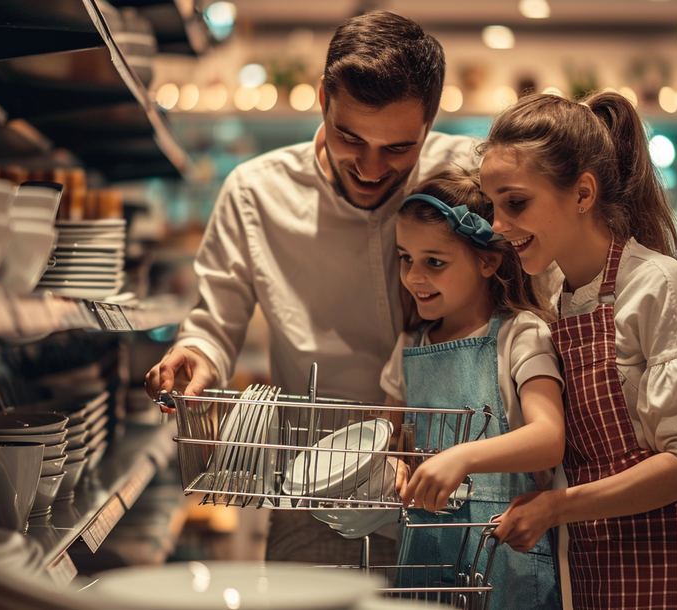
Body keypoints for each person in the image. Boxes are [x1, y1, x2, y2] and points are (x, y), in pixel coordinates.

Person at [142, 11, 477, 565]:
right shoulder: (254, 193)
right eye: (351, 138)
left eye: (397, 148)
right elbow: (214, 322)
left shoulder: (466, 176)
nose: (371, 168)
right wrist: (195, 355)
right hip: (312, 488)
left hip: (455, 488)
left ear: (432, 120)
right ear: (323, 98)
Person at [477, 91, 677, 609]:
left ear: (582, 193)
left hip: (675, 570)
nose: (498, 226)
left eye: (516, 202)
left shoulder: (657, 284)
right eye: (492, 206)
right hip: (599, 571)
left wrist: (557, 507)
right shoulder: (556, 297)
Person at [382, 168, 564, 609]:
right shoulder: (409, 346)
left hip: (506, 560)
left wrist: (460, 457)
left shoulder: (520, 335)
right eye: (406, 258)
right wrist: (390, 465)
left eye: (435, 262)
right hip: (426, 558)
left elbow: (549, 439)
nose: (413, 277)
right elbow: (385, 436)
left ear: (488, 260)